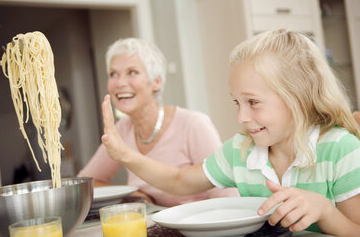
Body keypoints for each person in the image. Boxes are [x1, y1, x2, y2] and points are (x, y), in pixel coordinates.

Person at [100, 29, 360, 235]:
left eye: (253, 102)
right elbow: (179, 181)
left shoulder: (340, 150)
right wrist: (124, 154)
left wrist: (326, 212)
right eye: (237, 102)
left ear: (298, 97)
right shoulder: (241, 150)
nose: (241, 118)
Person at [78, 38, 239, 207]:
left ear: (157, 82)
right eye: (113, 74)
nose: (120, 83)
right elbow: (86, 183)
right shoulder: (123, 129)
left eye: (132, 72)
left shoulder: (193, 124)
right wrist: (131, 192)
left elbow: (228, 195)